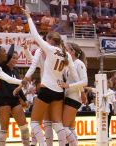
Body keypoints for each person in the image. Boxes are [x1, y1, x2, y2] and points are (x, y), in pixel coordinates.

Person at [21, 8, 79, 146]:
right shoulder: (67, 56)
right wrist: (76, 89)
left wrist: (29, 16)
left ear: (49, 40)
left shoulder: (49, 49)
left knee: (34, 122)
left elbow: (35, 35)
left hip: (46, 89)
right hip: (59, 92)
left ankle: (42, 144)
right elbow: (76, 78)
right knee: (58, 124)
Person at [0, 46, 30, 146]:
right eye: (13, 58)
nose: (15, 60)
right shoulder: (2, 68)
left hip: (15, 100)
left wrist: (25, 99)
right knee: (4, 129)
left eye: (16, 58)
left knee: (24, 128)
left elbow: (18, 87)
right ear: (8, 58)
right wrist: (12, 44)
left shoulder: (16, 70)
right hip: (3, 101)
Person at [58, 43, 88, 146]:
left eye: (65, 50)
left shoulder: (79, 64)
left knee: (63, 127)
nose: (63, 52)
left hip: (74, 98)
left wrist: (68, 86)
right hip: (69, 96)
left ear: (72, 52)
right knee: (70, 128)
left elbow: (84, 82)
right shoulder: (68, 65)